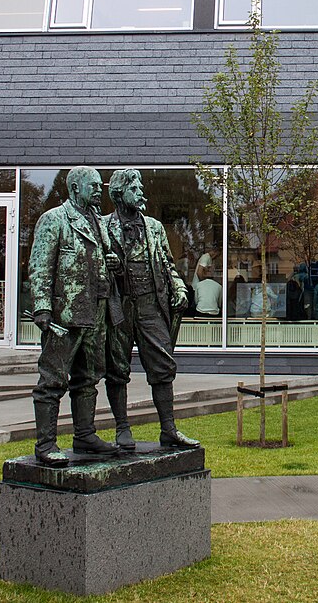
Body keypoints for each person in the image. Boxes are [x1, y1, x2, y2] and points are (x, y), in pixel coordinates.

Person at [27, 166, 120, 466]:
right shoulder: (54, 219)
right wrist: (42, 307)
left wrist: (112, 262)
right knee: (52, 379)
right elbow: (40, 266)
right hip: (65, 315)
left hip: (97, 312)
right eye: (93, 186)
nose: (98, 191)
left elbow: (101, 258)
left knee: (89, 377)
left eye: (99, 186)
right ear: (75, 187)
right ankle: (45, 444)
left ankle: (85, 435)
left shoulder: (99, 222)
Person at [102, 169, 200, 450]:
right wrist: (109, 266)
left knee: (163, 365)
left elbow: (167, 264)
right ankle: (122, 428)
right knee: (117, 368)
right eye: (134, 188)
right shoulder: (103, 226)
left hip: (150, 305)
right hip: (119, 307)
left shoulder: (154, 227)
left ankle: (168, 429)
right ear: (119, 193)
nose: (141, 192)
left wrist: (179, 288)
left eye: (141, 187)